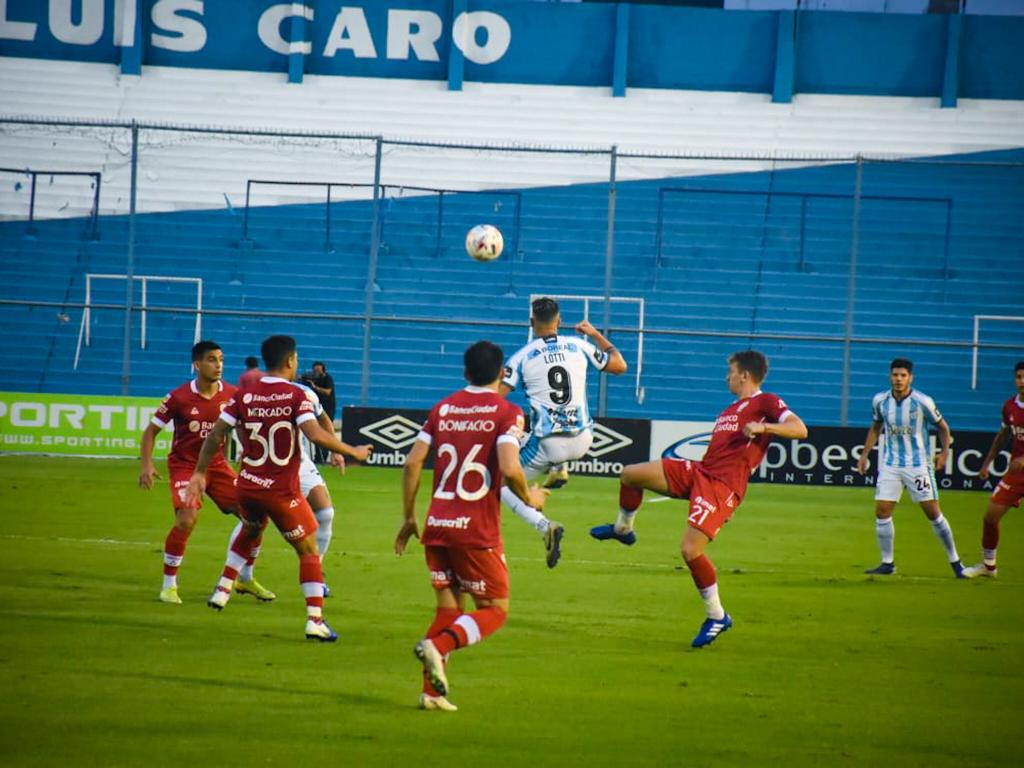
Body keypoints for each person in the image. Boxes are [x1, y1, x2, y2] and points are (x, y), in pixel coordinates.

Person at [590, 350, 807, 648]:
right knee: (630, 474)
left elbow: (800, 429)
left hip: (722, 487)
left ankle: (717, 615)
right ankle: (623, 529)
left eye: (731, 371)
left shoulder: (765, 402)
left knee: (690, 550)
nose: (727, 377)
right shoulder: (731, 408)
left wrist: (765, 427)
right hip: (701, 472)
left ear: (744, 375)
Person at [395, 340, 548, 712]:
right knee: (495, 609)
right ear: (501, 374)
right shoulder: (507, 412)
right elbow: (511, 468)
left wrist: (409, 517)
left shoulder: (442, 408)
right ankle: (439, 647)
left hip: (437, 525)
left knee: (448, 612)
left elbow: (412, 463)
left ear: (464, 372)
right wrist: (531, 498)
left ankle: (431, 694)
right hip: (476, 530)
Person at [186, 335, 371, 641]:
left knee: (252, 527)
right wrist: (353, 451)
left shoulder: (243, 395)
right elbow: (315, 434)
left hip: (247, 484)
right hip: (280, 489)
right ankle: (315, 620)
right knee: (309, 550)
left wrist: (199, 473)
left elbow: (217, 433)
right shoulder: (295, 396)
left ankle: (223, 587)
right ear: (290, 361)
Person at [139, 340, 274, 605]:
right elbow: (150, 431)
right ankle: (169, 586)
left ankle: (245, 577)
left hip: (218, 466)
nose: (218, 365)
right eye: (212, 359)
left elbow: (246, 428)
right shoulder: (178, 397)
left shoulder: (233, 394)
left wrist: (252, 457)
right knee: (187, 519)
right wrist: (146, 464)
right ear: (197, 364)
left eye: (221, 359)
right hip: (185, 467)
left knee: (257, 517)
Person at [500, 297, 627, 567]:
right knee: (542, 430)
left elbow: (496, 398)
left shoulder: (522, 357)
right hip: (584, 439)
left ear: (532, 323)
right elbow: (620, 365)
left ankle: (545, 526)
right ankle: (560, 468)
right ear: (559, 321)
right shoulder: (580, 345)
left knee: (500, 484)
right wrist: (595, 334)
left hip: (547, 444)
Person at [856, 358, 965, 578]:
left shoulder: (922, 401)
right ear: (890, 376)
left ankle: (955, 562)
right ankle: (888, 563)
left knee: (933, 513)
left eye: (903, 375)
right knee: (882, 511)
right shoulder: (880, 401)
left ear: (910, 378)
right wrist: (865, 454)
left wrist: (944, 453)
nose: (898, 379)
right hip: (891, 464)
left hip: (918, 466)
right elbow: (876, 426)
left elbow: (943, 428)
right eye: (895, 375)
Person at [290, 377, 372, 595]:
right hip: (266, 466)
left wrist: (335, 450)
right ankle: (238, 577)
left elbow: (324, 419)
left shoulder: (305, 392)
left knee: (325, 513)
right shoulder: (257, 391)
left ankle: (317, 574)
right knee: (253, 523)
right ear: (290, 362)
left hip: (298, 461)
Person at [963, 361, 1024, 578]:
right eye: (1018, 377)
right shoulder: (1009, 406)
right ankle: (989, 566)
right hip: (1017, 474)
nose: (1022, 381)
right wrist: (987, 462)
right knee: (990, 516)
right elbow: (1003, 436)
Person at [306, 361, 336, 464]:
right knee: (317, 431)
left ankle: (324, 455)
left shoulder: (328, 378)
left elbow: (328, 391)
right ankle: (318, 457)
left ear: (323, 369)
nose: (316, 372)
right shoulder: (313, 380)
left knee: (326, 431)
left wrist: (315, 387)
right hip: (317, 408)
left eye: (318, 370)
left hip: (327, 409)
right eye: (315, 370)